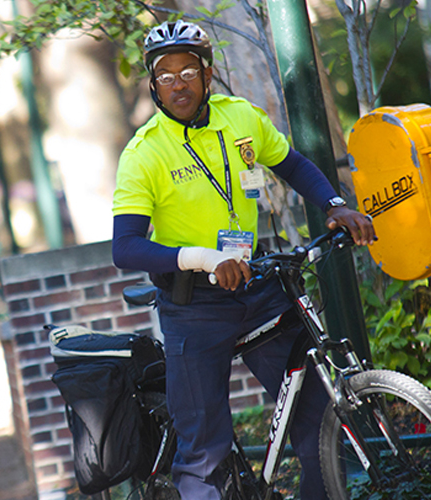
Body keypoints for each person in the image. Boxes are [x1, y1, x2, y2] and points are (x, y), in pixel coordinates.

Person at [111, 20, 376, 500]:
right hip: (194, 306)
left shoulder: (240, 118)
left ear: (207, 74)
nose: (178, 84)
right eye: (165, 75)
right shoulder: (143, 154)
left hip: (257, 287)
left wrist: (334, 206)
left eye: (187, 70)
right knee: (204, 450)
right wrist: (203, 259)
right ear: (153, 85)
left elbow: (291, 163)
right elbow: (125, 246)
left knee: (317, 421)